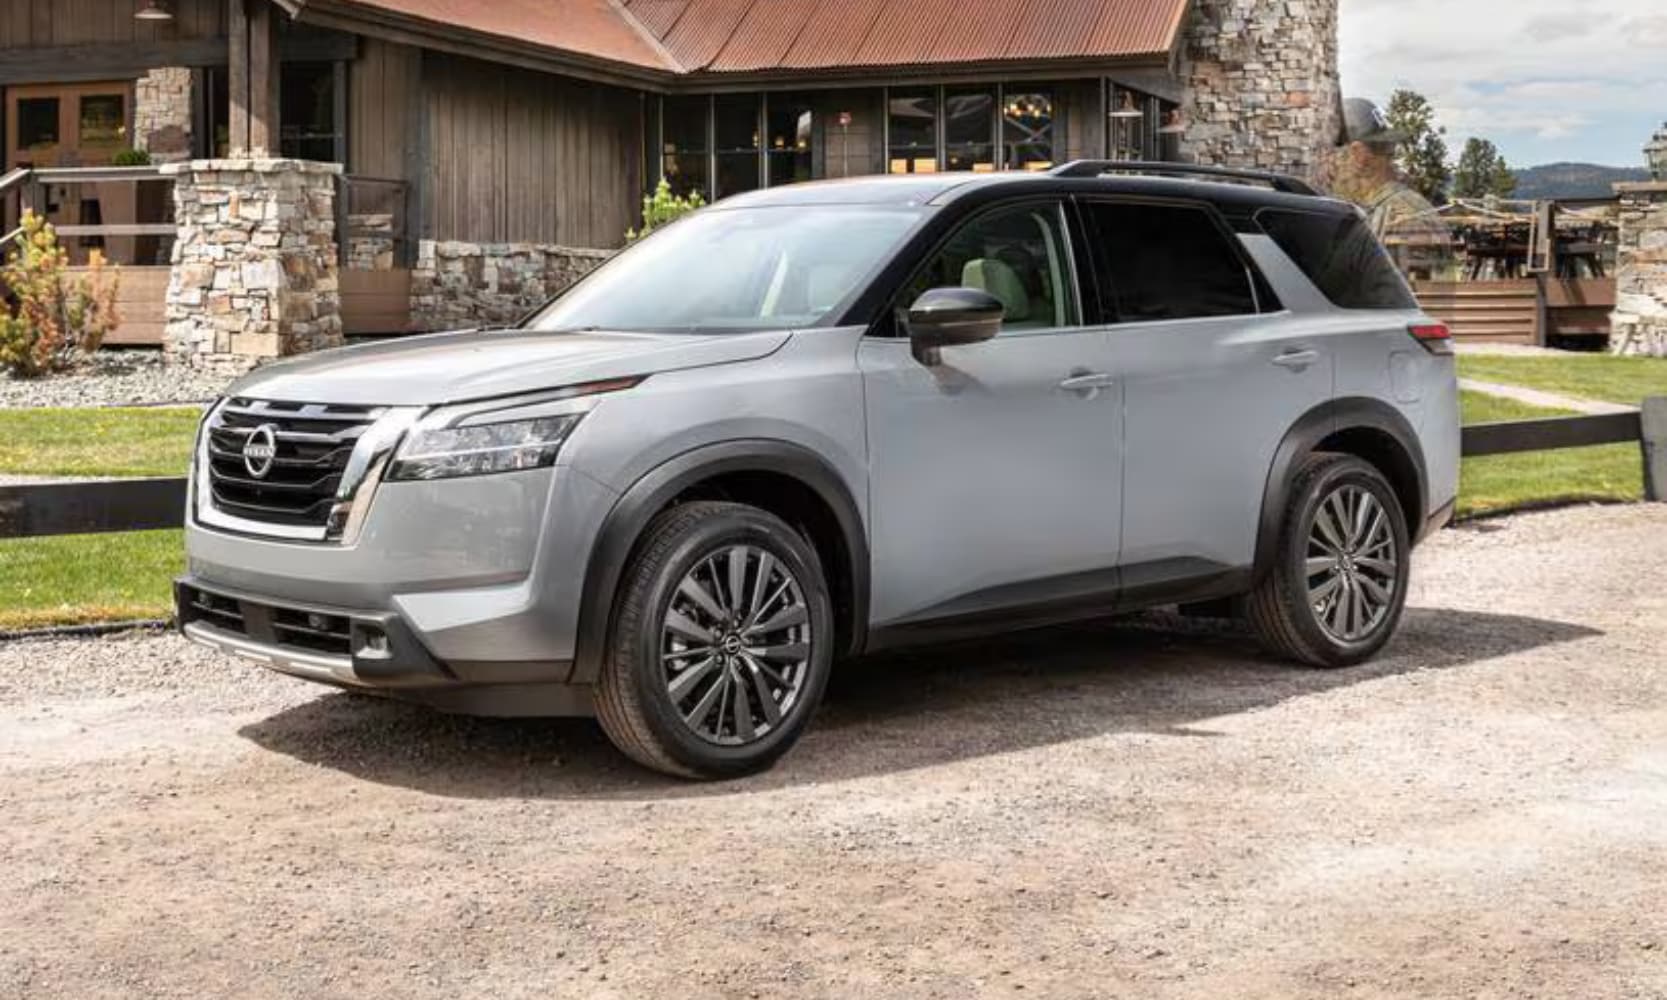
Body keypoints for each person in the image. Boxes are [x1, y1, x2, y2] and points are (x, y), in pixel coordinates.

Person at [1329, 98, 1454, 279]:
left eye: (1332, 153)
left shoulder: (1394, 215)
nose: (1328, 165)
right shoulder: (1409, 204)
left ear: (1358, 154)